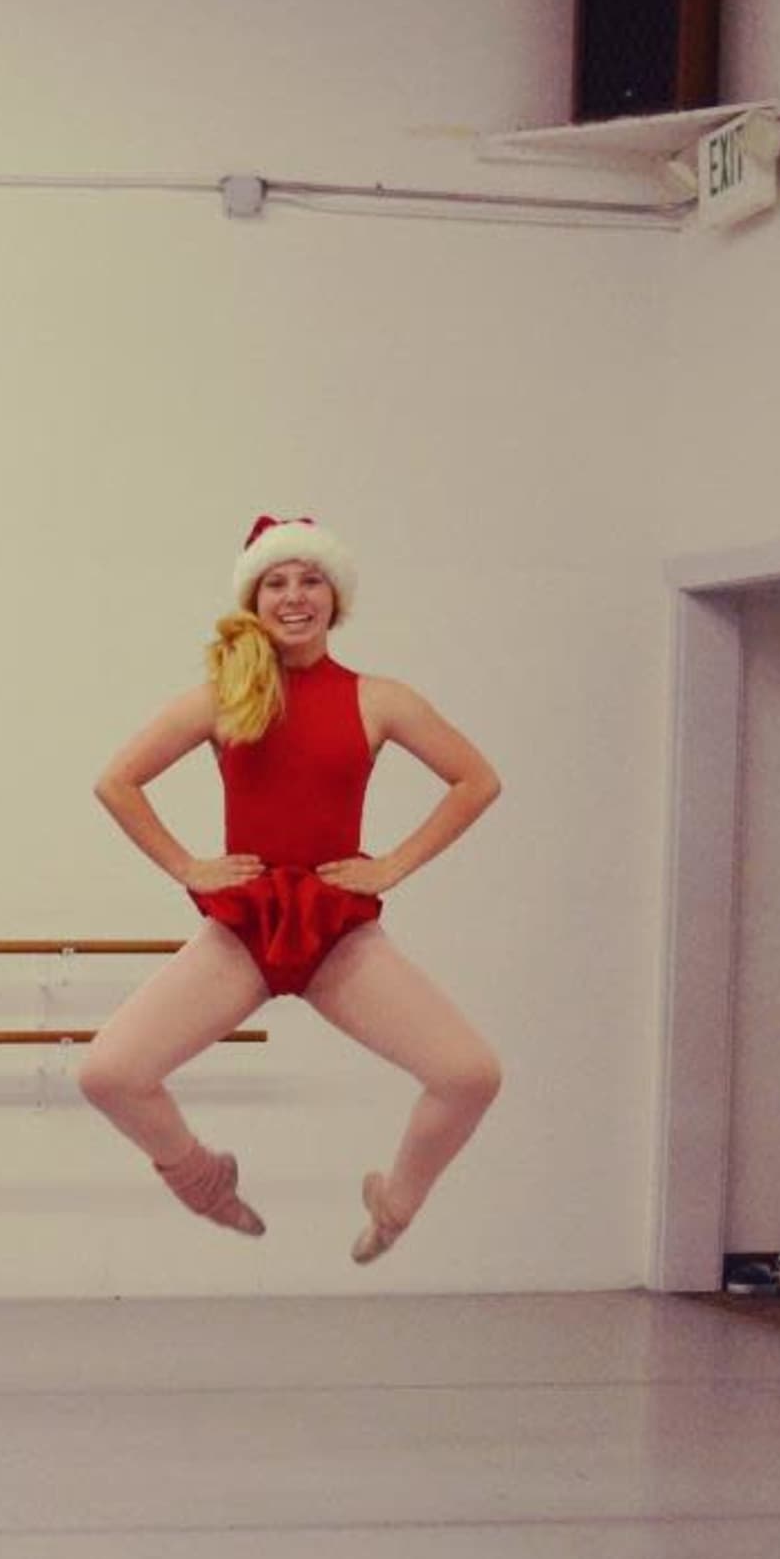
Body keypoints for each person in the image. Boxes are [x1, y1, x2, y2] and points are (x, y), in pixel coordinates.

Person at [75, 516, 501, 1259]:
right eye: (276, 582)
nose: (294, 596)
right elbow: (117, 781)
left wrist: (393, 864)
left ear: (337, 597)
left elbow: (476, 779)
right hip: (245, 929)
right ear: (254, 599)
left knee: (469, 1074)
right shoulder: (221, 698)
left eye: (310, 580)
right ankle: (204, 1180)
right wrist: (186, 865)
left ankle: (394, 1204)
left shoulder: (380, 698)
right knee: (109, 1072)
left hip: (338, 933)